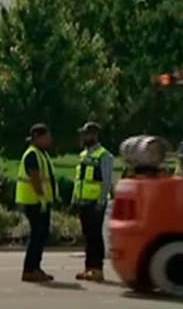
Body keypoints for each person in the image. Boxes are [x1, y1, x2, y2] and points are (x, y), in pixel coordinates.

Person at [71, 121, 114, 282]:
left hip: (95, 202)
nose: (83, 137)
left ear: (94, 136)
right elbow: (79, 179)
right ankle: (88, 267)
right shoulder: (84, 155)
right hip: (83, 201)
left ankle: (97, 269)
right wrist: (75, 199)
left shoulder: (104, 155)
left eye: (86, 134)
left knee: (95, 236)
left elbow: (107, 181)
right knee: (87, 236)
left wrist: (101, 202)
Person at [16, 124, 58, 283]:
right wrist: (42, 199)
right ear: (38, 138)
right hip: (34, 202)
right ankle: (30, 269)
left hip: (40, 201)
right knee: (37, 234)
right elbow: (35, 179)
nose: (50, 140)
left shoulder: (41, 154)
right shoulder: (32, 154)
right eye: (47, 137)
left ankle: (35, 267)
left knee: (41, 234)